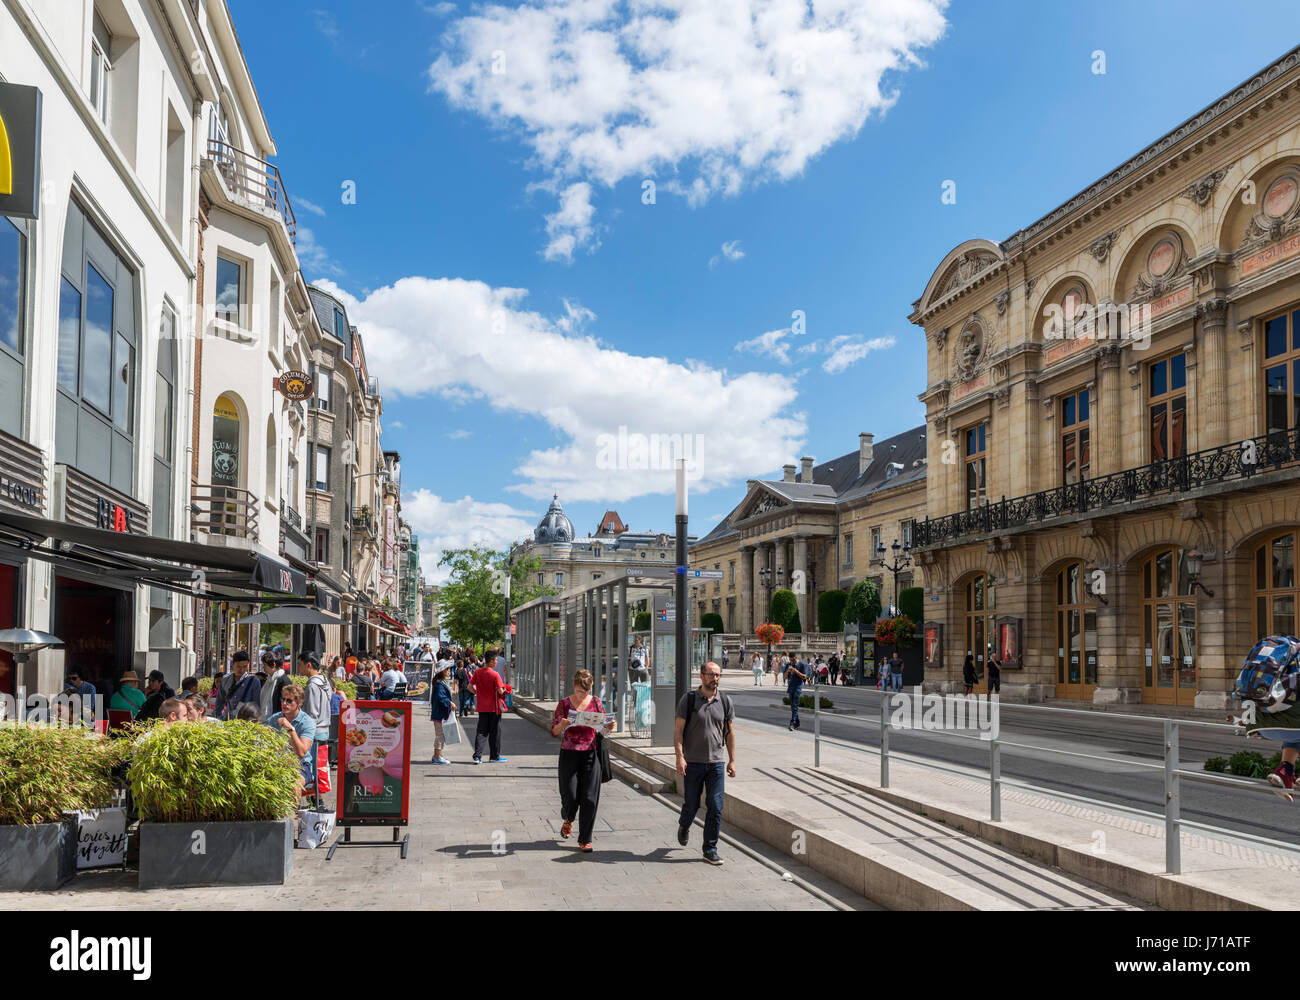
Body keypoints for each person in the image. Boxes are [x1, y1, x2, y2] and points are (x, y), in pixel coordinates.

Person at [674, 662, 735, 866]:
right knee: (691, 805)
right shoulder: (689, 700)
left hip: (716, 763)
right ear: (701, 676)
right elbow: (678, 731)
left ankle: (710, 848)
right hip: (693, 762)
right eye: (711, 675)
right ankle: (684, 825)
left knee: (716, 806)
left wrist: (732, 760)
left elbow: (729, 732)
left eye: (718, 675)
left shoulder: (724, 700)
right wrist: (679, 757)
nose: (715, 679)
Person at [550, 669, 613, 853]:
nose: (582, 694)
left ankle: (585, 839)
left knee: (589, 798)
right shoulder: (564, 704)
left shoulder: (596, 702)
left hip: (591, 754)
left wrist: (608, 727)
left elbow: (603, 731)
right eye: (579, 691)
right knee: (570, 795)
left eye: (586, 691)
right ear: (574, 686)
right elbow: (554, 731)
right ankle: (569, 816)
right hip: (569, 753)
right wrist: (563, 724)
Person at [264, 685, 316, 796]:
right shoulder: (274, 719)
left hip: (301, 765)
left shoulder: (307, 722)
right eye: (283, 699)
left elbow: (301, 753)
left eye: (289, 701)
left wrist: (290, 729)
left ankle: (292, 813)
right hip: (276, 763)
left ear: (299, 703)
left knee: (294, 784)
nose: (284, 703)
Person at [470, 650, 508, 764]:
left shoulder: (477, 672)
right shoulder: (495, 675)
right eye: (496, 660)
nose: (496, 662)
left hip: (482, 707)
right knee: (495, 732)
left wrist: (477, 693)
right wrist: (505, 690)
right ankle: (494, 756)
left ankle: (477, 756)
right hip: (494, 708)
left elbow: (469, 686)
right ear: (491, 661)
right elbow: (501, 690)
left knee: (481, 732)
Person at [300, 653, 332, 772]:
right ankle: (319, 787)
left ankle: (314, 787)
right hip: (324, 729)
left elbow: (312, 713)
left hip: (314, 731)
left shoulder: (312, 685)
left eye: (299, 664)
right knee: (320, 765)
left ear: (308, 665)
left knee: (312, 767)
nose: (298, 668)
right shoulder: (325, 680)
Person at [219, 652, 261, 720]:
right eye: (238, 666)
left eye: (245, 666)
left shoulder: (254, 681)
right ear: (232, 663)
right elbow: (220, 701)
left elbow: (256, 705)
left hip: (245, 721)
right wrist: (218, 717)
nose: (242, 670)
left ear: (248, 664)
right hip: (227, 719)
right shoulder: (225, 680)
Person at [429, 664, 455, 764]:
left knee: (441, 735)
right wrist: (450, 702)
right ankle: (437, 756)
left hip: (442, 713)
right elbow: (441, 698)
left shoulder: (442, 683)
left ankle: (438, 755)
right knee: (440, 735)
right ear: (443, 671)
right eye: (447, 669)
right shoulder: (439, 684)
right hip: (439, 713)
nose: (449, 671)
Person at [260, 651, 288, 719]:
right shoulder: (269, 679)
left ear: (273, 664)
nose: (263, 668)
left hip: (278, 722)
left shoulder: (283, 681)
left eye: (264, 665)